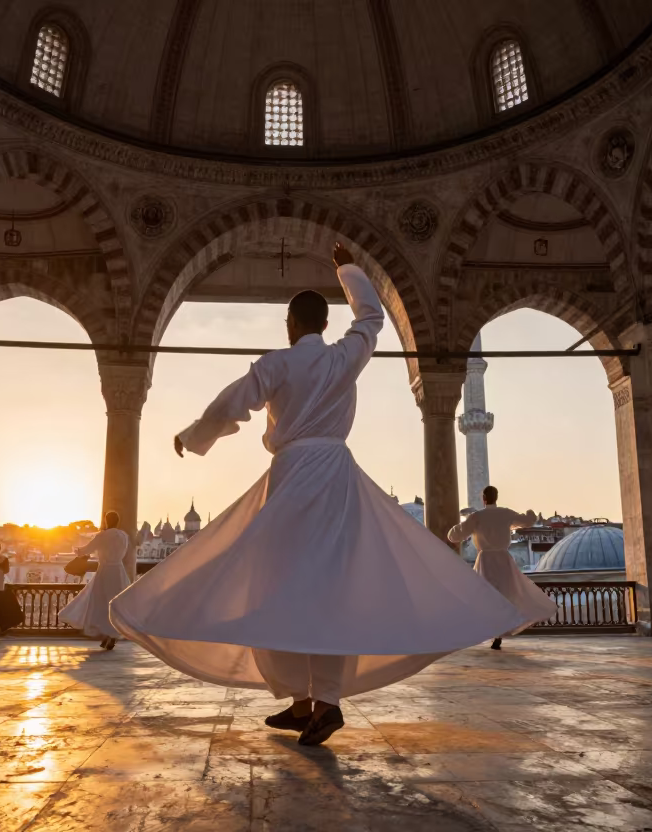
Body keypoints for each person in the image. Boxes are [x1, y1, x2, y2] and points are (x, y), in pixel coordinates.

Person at [110, 243, 530, 747]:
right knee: (327, 588)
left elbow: (232, 402)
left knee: (277, 586)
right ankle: (310, 702)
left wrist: (193, 436)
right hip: (337, 478)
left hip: (291, 476)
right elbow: (372, 317)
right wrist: (349, 270)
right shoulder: (342, 357)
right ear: (324, 324)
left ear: (291, 323)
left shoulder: (277, 364)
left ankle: (313, 700)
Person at [448, 488, 555, 650]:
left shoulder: (477, 516)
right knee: (508, 595)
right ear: (496, 497)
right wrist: (530, 512)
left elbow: (454, 536)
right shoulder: (506, 513)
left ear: (484, 498)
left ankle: (489, 630)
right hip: (504, 560)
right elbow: (527, 520)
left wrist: (455, 527)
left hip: (486, 561)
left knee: (485, 596)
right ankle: (500, 631)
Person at [59, 510, 130, 650]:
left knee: (101, 603)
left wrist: (76, 550)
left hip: (105, 572)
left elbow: (85, 550)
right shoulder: (124, 536)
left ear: (106, 520)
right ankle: (111, 635)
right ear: (118, 521)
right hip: (119, 571)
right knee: (116, 604)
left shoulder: (102, 536)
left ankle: (107, 634)